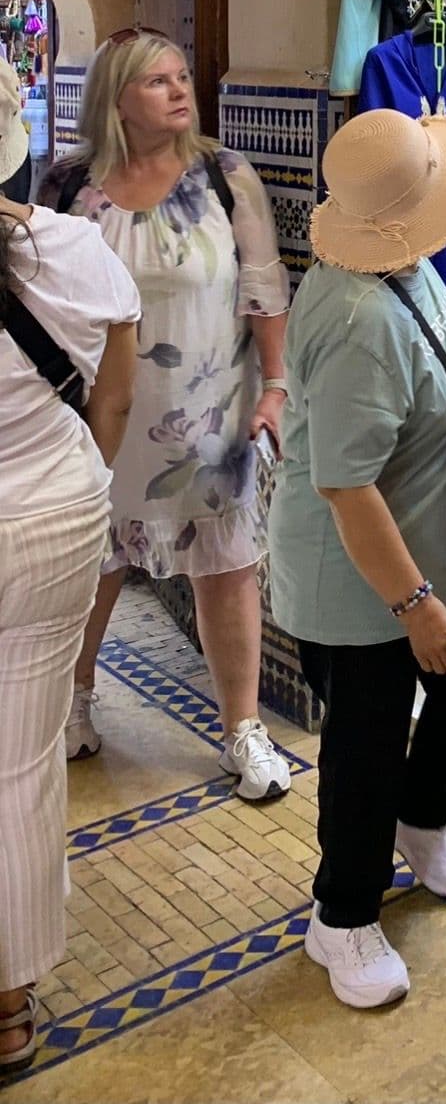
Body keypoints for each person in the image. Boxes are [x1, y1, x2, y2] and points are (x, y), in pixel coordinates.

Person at [268, 107, 446, 1010]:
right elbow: (345, 487)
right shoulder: (357, 315)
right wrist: (415, 606)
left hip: (441, 546)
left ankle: (418, 821)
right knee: (366, 745)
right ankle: (340, 916)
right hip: (364, 578)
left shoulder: (404, 267)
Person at [37, 29, 294, 799]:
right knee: (91, 564)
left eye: (183, 77)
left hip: (211, 412)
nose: (181, 91)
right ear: (117, 98)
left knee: (228, 567)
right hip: (98, 414)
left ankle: (241, 731)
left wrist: (276, 387)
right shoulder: (69, 184)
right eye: (159, 81)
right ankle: (72, 703)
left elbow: (263, 286)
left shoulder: (225, 175)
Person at [0, 56, 139, 1075]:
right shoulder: (77, 249)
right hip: (50, 518)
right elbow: (115, 408)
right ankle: (7, 1001)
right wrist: (78, 475)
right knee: (20, 762)